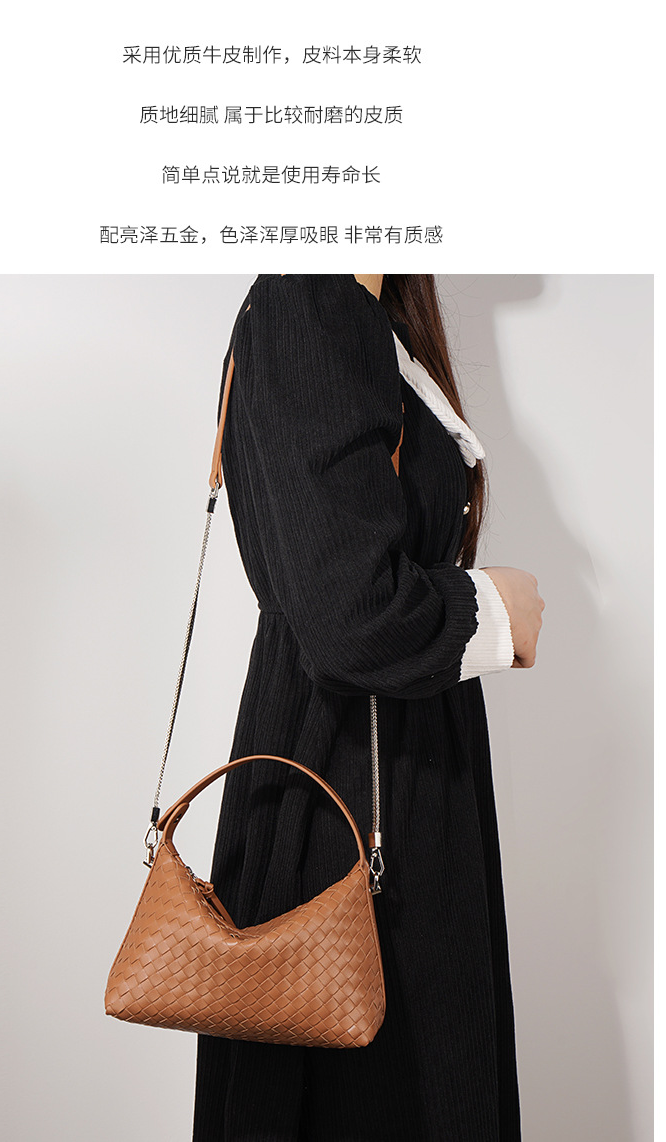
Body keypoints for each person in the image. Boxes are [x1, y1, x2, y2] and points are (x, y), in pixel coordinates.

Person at [191, 274, 544, 1141]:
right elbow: (350, 616)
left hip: (382, 761)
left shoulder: (363, 316)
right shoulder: (308, 302)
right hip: (346, 779)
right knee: (381, 1091)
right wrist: (494, 610)